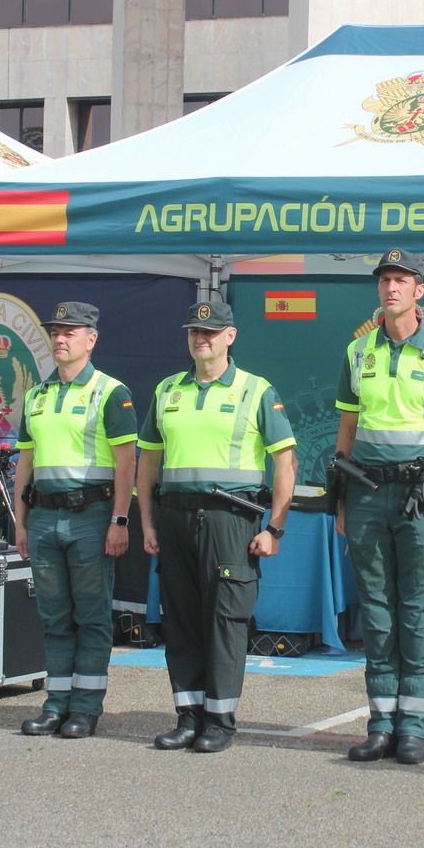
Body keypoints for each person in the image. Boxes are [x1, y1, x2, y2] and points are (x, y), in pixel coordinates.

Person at [333, 248, 424, 765]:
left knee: (414, 613)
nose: (391, 288)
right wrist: (342, 501)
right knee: (375, 612)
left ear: (420, 291)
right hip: (368, 494)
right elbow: (346, 431)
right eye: (384, 280)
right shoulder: (356, 352)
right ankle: (380, 723)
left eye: (401, 280)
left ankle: (415, 727)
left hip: (423, 499)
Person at [137, 300, 297, 753]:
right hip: (174, 518)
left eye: (210, 332)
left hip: (231, 520)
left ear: (231, 336)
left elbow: (285, 462)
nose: (200, 338)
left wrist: (276, 528)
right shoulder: (168, 389)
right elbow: (148, 462)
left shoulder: (256, 390)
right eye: (194, 331)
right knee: (181, 620)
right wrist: (147, 521)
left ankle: (220, 721)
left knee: (225, 620)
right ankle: (188, 716)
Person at [12, 301, 136, 739]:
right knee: (54, 618)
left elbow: (126, 464)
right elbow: (24, 464)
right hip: (44, 517)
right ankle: (54, 705)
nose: (60, 338)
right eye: (56, 331)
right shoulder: (36, 395)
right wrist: (20, 522)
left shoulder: (110, 391)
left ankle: (85, 708)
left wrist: (119, 520)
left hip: (91, 515)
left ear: (91, 339)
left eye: (70, 331)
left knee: (92, 616)